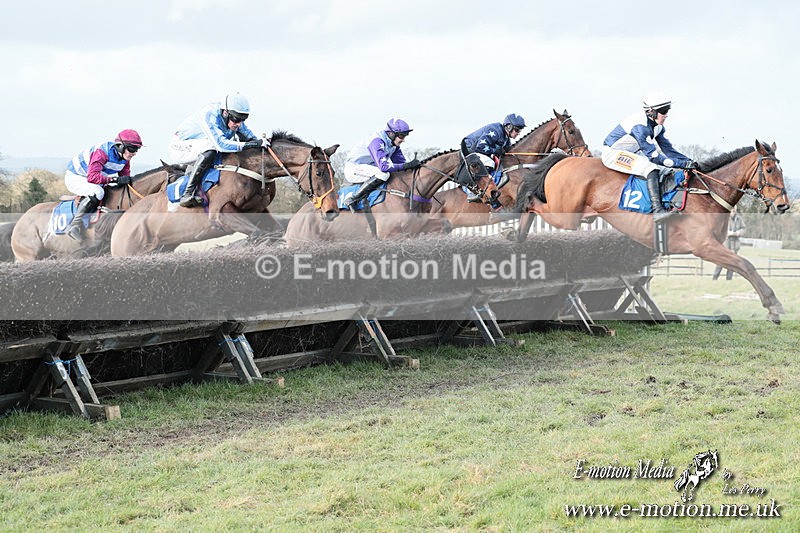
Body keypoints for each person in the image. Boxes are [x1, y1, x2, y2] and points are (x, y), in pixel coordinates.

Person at [602, 91, 697, 222]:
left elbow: (668, 150)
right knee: (651, 168)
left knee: (666, 171)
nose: (666, 115)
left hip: (632, 152)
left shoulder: (657, 126)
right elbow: (654, 157)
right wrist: (681, 164)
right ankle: (657, 210)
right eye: (663, 111)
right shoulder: (640, 126)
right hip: (612, 153)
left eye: (667, 110)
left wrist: (688, 161)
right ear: (651, 112)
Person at [168, 93, 267, 207]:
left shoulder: (234, 119)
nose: (239, 124)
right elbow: (221, 145)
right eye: (236, 119)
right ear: (225, 113)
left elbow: (250, 138)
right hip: (180, 147)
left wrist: (262, 143)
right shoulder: (210, 115)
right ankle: (187, 193)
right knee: (211, 147)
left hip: (198, 146)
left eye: (243, 119)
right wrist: (252, 144)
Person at [64, 129, 144, 242]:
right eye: (132, 149)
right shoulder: (101, 152)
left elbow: (125, 179)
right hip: (76, 177)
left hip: (94, 176)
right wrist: (115, 179)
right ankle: (74, 225)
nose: (134, 153)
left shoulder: (125, 158)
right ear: (120, 146)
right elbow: (92, 177)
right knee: (98, 192)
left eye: (137, 149)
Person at [342, 118, 422, 210]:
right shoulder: (377, 141)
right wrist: (408, 165)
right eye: (401, 136)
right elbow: (384, 167)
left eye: (405, 136)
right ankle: (353, 199)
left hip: (368, 170)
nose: (403, 140)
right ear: (391, 133)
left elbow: (402, 165)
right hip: (353, 169)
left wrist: (415, 167)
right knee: (384, 174)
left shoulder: (394, 145)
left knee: (394, 174)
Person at [461, 113, 525, 201]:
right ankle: (471, 190)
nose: (518, 133)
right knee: (489, 162)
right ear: (509, 127)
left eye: (519, 131)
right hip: (470, 150)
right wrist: (496, 150)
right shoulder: (495, 130)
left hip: (478, 152)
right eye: (517, 130)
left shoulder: (506, 139)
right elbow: (481, 147)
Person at [712, 206, 746, 280]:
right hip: (725, 243)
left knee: (732, 263)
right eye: (731, 210)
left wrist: (738, 233)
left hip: (735, 244)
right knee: (720, 261)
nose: (732, 212)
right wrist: (726, 233)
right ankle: (715, 278)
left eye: (734, 210)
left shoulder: (739, 219)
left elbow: (743, 228)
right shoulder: (723, 217)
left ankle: (729, 279)